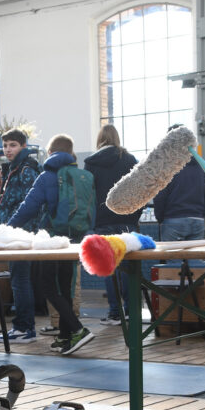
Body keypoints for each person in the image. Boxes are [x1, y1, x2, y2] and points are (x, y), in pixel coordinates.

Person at [8, 134, 95, 355]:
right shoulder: (82, 175)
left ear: (50, 152)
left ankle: (78, 329)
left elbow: (29, 207)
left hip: (52, 239)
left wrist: (7, 229)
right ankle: (67, 337)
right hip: (74, 238)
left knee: (46, 285)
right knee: (64, 287)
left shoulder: (47, 176)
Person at [84, 124, 138, 325]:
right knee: (128, 267)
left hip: (103, 221)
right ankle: (131, 310)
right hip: (127, 220)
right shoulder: (130, 160)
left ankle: (115, 313)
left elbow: (88, 195)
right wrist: (134, 215)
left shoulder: (91, 163)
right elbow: (139, 188)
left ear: (100, 139)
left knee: (109, 267)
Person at [0, 128, 41, 344]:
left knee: (20, 280)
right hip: (15, 232)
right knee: (19, 279)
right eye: (5, 145)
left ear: (23, 146)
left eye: (12, 145)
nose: (8, 149)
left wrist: (15, 231)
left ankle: (24, 327)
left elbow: (30, 203)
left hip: (20, 234)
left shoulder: (26, 169)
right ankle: (24, 326)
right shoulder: (15, 168)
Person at [152, 126, 205, 242]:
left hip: (173, 219)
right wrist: (200, 214)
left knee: (173, 259)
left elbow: (160, 195)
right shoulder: (202, 165)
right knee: (195, 259)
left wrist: (160, 218)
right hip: (197, 219)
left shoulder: (168, 166)